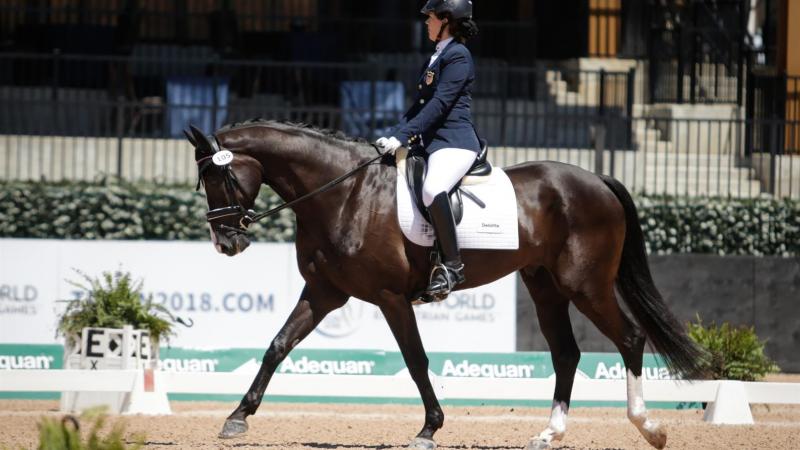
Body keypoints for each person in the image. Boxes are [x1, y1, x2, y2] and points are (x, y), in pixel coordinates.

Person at [375, 0, 480, 299]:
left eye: (431, 18)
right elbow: (418, 106)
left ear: (446, 20)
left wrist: (406, 135)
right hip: (430, 143)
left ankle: (452, 267)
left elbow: (440, 104)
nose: (426, 22)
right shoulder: (436, 57)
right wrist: (395, 136)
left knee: (433, 189)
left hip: (454, 142)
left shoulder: (458, 56)